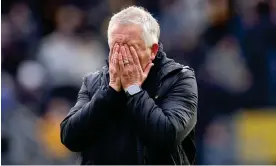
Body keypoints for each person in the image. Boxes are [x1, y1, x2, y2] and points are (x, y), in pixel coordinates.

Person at [60, 6, 198, 165]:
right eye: (116, 47)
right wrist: (109, 92)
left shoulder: (177, 78)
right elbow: (70, 138)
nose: (122, 56)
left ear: (152, 50)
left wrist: (133, 89)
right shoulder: (94, 82)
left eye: (130, 48)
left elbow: (168, 135)